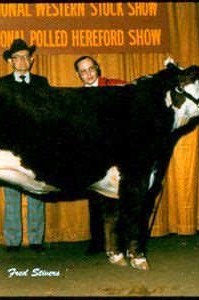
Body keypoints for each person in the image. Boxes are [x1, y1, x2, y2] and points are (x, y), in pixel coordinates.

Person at [74, 55, 127, 263]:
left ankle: (119, 241)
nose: (88, 74)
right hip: (92, 153)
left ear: (98, 69)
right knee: (95, 197)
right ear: (78, 75)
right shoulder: (77, 96)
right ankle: (97, 242)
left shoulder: (115, 86)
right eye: (83, 71)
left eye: (91, 69)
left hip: (116, 152)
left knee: (118, 197)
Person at [1, 39, 49, 252]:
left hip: (37, 148)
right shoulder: (1, 84)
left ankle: (36, 240)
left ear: (32, 60)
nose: (21, 60)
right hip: (10, 148)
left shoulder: (42, 83)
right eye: (17, 57)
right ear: (10, 61)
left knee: (36, 192)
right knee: (11, 194)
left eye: (25, 56)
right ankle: (12, 241)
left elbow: (48, 112)